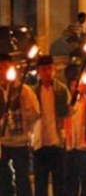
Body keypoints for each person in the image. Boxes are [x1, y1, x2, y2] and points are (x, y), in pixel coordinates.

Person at [0, 53, 41, 196]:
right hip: (2, 142)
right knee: (3, 179)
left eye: (5, 68)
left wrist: (22, 107)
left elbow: (35, 113)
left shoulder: (23, 90)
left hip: (20, 141)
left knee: (22, 178)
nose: (2, 72)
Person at [33, 55, 71, 196]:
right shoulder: (33, 91)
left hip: (57, 142)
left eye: (49, 68)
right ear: (38, 71)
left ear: (54, 69)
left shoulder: (61, 91)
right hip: (39, 142)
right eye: (43, 69)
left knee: (59, 183)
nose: (47, 72)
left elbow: (68, 115)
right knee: (40, 184)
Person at [65, 74, 86, 196]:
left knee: (85, 180)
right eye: (75, 86)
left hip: (84, 147)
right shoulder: (67, 104)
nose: (78, 89)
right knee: (70, 180)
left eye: (81, 86)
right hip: (69, 147)